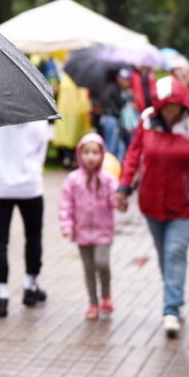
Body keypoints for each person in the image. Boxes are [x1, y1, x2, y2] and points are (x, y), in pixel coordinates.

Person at [116, 76, 189, 338]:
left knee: (174, 252)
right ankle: (175, 299)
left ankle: (170, 310)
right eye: (164, 106)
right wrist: (124, 186)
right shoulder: (146, 120)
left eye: (174, 105)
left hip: (188, 205)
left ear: (183, 104)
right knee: (165, 255)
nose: (169, 110)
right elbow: (134, 154)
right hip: (152, 203)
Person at [0, 121, 49, 318]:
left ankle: (1, 294)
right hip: (30, 188)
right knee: (33, 236)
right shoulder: (38, 118)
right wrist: (32, 172)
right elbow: (42, 151)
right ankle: (30, 285)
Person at [59, 133, 118, 320]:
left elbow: (115, 200)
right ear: (79, 154)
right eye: (86, 152)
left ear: (102, 155)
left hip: (103, 231)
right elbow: (65, 204)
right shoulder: (73, 180)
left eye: (95, 152)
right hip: (81, 232)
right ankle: (93, 303)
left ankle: (106, 294)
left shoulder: (108, 180)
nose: (91, 157)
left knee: (102, 263)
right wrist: (67, 225)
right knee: (89, 268)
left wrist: (121, 201)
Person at [99, 68, 134, 162]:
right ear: (118, 78)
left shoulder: (113, 88)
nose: (126, 82)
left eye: (127, 79)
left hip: (113, 119)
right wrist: (128, 97)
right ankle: (107, 167)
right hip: (111, 119)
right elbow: (118, 104)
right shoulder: (113, 88)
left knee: (119, 147)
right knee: (111, 146)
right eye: (124, 79)